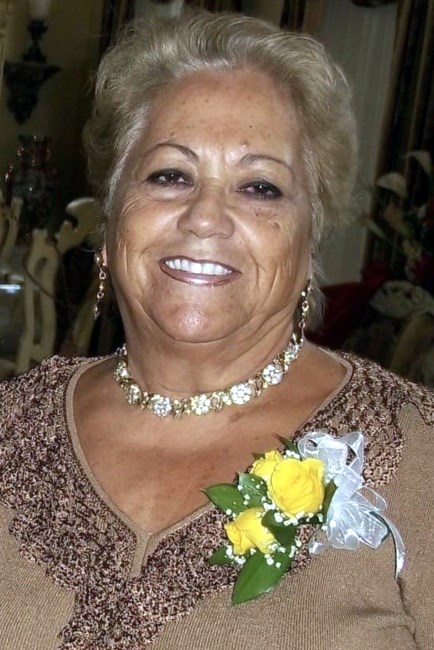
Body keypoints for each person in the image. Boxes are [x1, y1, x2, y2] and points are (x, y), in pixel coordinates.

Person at [0, 12, 433, 650]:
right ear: (112, 217)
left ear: (309, 240)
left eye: (260, 187)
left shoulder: (417, 451)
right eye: (170, 175)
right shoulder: (13, 425)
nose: (205, 218)